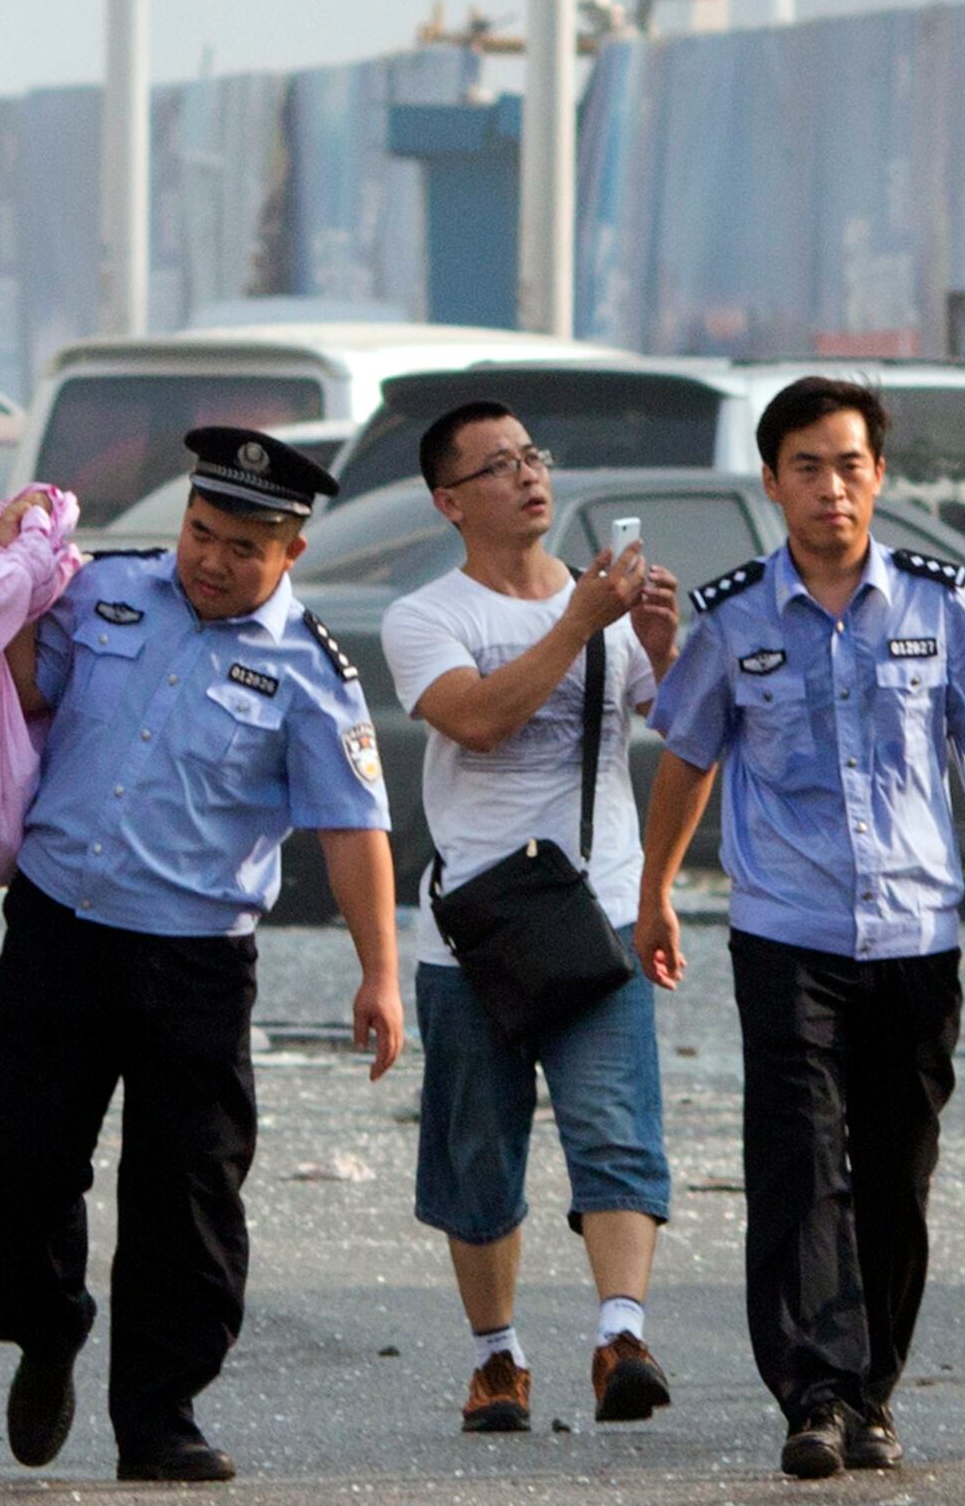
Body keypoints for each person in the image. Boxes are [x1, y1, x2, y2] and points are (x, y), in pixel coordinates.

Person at [0, 427, 404, 1487]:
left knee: (187, 1200)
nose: (210, 560)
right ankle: (49, 1325)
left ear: (290, 553)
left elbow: (354, 830)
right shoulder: (105, 593)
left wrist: (379, 973)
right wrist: (8, 574)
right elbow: (22, 685)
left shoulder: (314, 674)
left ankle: (160, 1415)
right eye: (200, 532)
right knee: (23, 1173)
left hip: (195, 967)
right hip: (58, 936)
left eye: (242, 548)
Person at [636, 375, 965, 1482]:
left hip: (915, 931)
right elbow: (688, 759)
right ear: (772, 484)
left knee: (898, 1174)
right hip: (787, 930)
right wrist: (656, 889)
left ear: (879, 478)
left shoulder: (939, 605)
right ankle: (813, 1393)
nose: (831, 488)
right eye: (807, 467)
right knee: (800, 1164)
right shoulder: (736, 618)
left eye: (850, 465)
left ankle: (873, 1395)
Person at [378, 402, 682, 1436]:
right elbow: (478, 717)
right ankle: (496, 1358)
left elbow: (685, 737)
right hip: (477, 929)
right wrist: (578, 625)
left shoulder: (602, 605)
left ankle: (621, 1337)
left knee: (616, 1129)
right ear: (450, 501)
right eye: (499, 466)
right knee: (478, 1153)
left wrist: (665, 651)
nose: (529, 477)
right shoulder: (427, 616)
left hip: (595, 915)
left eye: (534, 457)